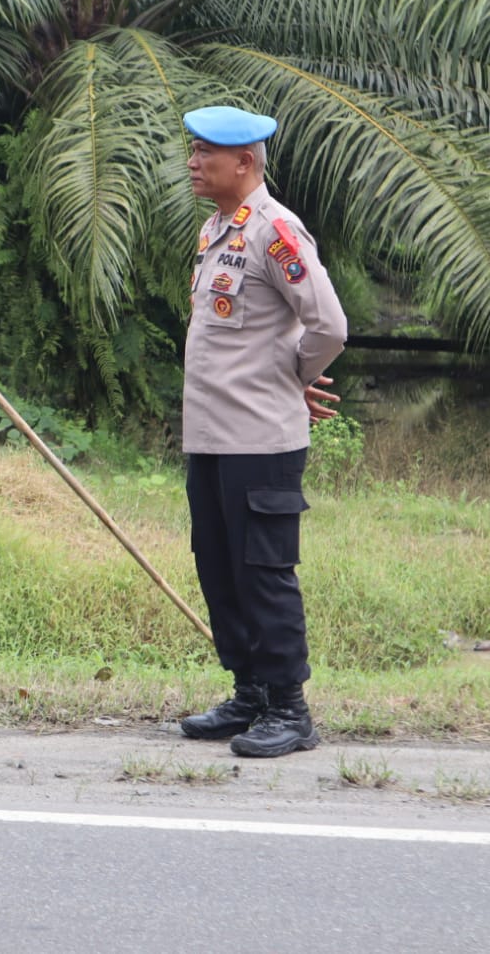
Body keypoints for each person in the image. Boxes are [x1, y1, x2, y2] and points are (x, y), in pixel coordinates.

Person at [178, 105, 347, 758]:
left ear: (243, 162)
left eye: (204, 154)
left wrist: (289, 376)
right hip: (212, 436)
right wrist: (286, 370)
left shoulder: (274, 232)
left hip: (261, 440)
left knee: (263, 573)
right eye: (192, 152)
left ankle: (288, 708)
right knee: (218, 568)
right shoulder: (218, 229)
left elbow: (327, 325)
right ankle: (248, 693)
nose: (192, 164)